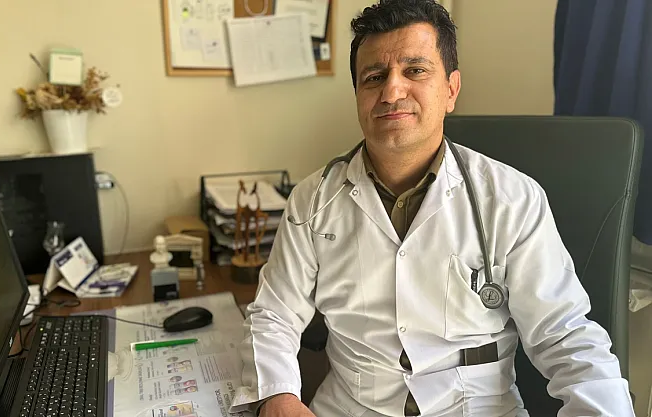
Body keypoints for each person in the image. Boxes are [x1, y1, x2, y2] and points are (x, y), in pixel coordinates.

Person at [229, 0, 635, 416]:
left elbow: (565, 336)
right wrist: (278, 397)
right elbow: (274, 315)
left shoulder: (513, 199)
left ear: (451, 90)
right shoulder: (313, 199)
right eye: (374, 77)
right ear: (358, 96)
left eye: (415, 70)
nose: (391, 91)